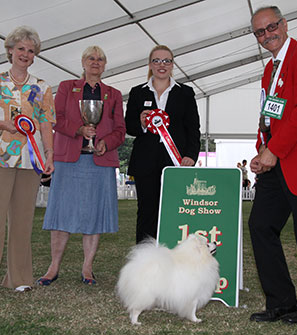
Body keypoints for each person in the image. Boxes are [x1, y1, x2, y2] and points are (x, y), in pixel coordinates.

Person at [37, 46, 125, 286]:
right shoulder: (67, 87)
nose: (95, 62)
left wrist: (106, 143)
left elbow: (120, 130)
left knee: (94, 215)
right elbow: (57, 118)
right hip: (68, 159)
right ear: (83, 63)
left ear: (105, 65)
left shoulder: (114, 94)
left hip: (99, 162)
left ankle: (88, 268)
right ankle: (53, 266)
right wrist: (79, 130)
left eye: (100, 59)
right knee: (61, 214)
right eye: (91, 58)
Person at [248, 6, 297, 324]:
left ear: (284, 23)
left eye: (271, 27)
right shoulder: (270, 69)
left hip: (294, 159)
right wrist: (261, 150)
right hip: (276, 161)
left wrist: (275, 150)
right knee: (261, 225)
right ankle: (282, 303)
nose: (267, 35)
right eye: (260, 32)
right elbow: (270, 114)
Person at [125, 45, 200, 244]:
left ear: (172, 65)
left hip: (176, 162)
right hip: (145, 163)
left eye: (166, 61)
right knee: (147, 213)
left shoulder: (185, 93)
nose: (162, 65)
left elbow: (193, 129)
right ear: (150, 64)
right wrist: (140, 124)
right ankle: (145, 264)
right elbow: (128, 126)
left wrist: (191, 156)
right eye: (157, 60)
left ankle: (174, 258)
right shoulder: (137, 93)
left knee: (175, 211)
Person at [0, 26, 55, 291]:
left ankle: (18, 279)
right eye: (20, 49)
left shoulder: (42, 87)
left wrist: (49, 155)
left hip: (29, 162)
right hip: (1, 158)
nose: (25, 54)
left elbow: (46, 123)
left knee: (22, 222)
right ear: (10, 50)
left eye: (31, 51)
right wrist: (4, 125)